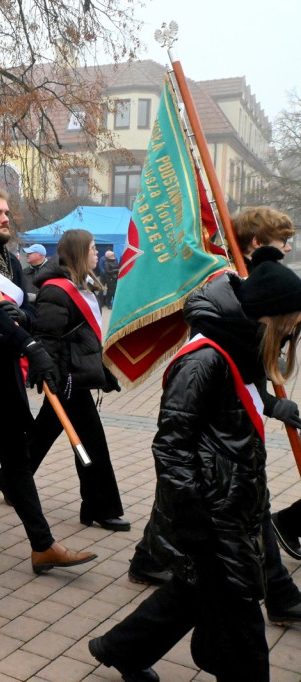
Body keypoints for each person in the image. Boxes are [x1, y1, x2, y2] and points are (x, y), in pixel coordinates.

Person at [89, 246, 301, 681]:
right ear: (268, 319)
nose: (291, 337)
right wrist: (192, 519)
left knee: (192, 592)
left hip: (239, 497)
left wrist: (276, 409)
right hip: (211, 511)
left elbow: (237, 400)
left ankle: (122, 649)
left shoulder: (238, 346)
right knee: (239, 613)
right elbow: (170, 446)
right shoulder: (204, 358)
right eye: (290, 328)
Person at [127, 209, 301, 627]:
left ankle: (151, 561)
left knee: (236, 504)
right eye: (283, 239)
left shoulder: (260, 291)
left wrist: (271, 404)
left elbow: (247, 368)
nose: (290, 246)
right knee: (206, 508)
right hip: (215, 441)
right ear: (258, 244)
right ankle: (277, 592)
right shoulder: (224, 293)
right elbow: (183, 425)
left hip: (231, 446)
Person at [0, 186, 96, 574]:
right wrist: (28, 343)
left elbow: (23, 306)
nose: (6, 218)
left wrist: (24, 320)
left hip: (2, 379)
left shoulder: (10, 262)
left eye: (7, 212)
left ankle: (42, 545)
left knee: (17, 459)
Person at [0, 230, 128, 530]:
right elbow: (47, 339)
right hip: (66, 379)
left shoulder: (84, 285)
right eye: (92, 248)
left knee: (43, 432)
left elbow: (83, 337)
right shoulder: (57, 290)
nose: (96, 253)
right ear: (79, 252)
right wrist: (50, 377)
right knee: (91, 442)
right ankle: (99, 506)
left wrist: (102, 373)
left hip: (73, 374)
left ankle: (10, 479)